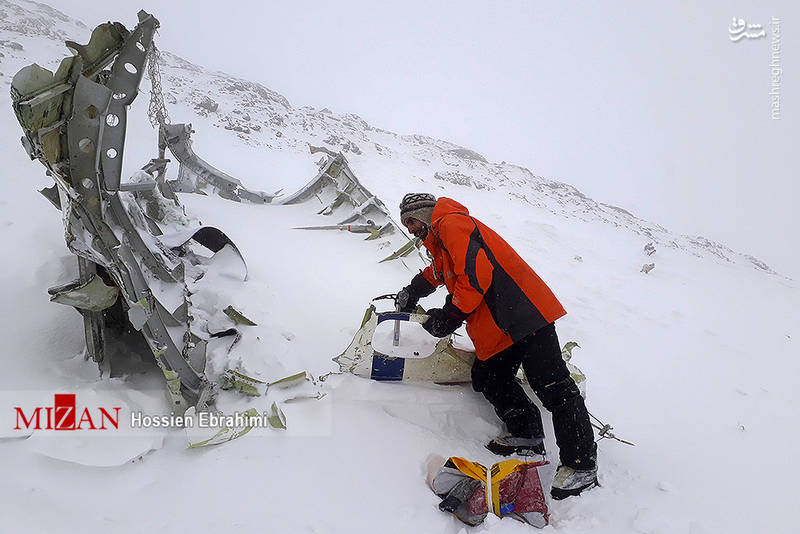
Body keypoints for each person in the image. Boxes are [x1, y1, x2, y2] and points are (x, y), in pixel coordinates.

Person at [395, 193, 598, 500]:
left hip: (526, 314)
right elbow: (439, 272)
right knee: (489, 376)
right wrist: (413, 291)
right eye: (405, 224)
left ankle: (582, 464)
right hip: (500, 325)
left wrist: (449, 316)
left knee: (553, 386)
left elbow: (476, 276)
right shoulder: (441, 241)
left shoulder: (451, 224)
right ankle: (527, 433)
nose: (410, 229)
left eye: (411, 221)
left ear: (425, 214)